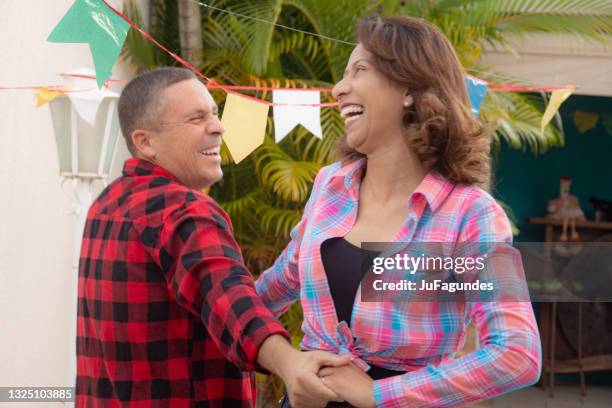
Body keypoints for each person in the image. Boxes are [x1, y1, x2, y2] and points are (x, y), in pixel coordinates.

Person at [256, 16, 541, 408]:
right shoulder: (329, 188)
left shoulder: (470, 214)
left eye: (359, 70)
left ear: (409, 86)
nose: (339, 88)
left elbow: (517, 353)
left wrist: (378, 393)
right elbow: (273, 288)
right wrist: (285, 361)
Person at [76, 67, 349, 407]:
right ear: (145, 141)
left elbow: (221, 298)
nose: (218, 127)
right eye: (196, 118)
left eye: (215, 114)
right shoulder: (185, 209)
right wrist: (291, 363)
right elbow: (228, 297)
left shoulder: (106, 204)